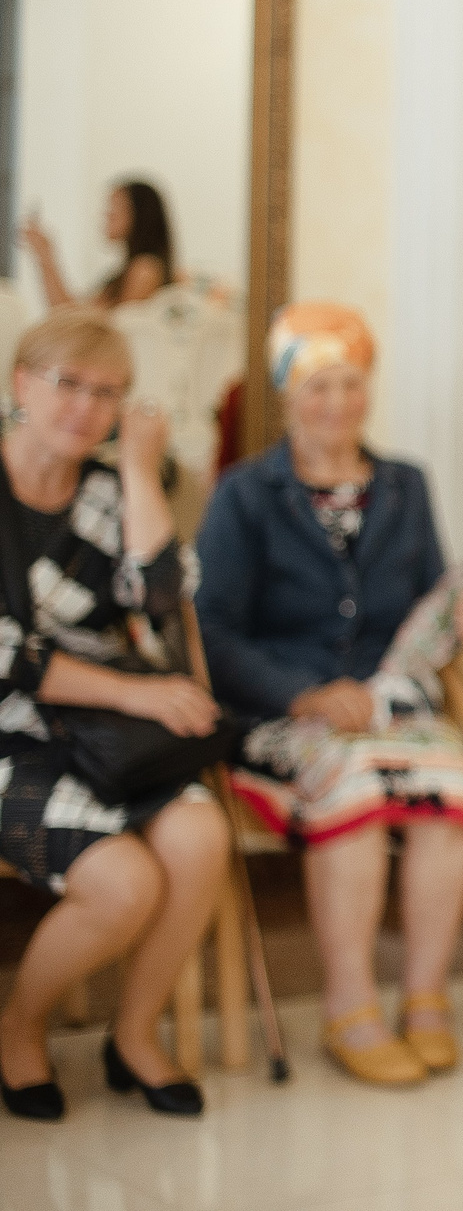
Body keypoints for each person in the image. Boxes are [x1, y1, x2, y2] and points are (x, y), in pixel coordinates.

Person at [197, 303, 463, 1087]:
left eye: (351, 383)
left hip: (391, 710)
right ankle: (349, 1004)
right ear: (287, 394)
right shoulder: (243, 494)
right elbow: (213, 633)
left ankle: (425, 996)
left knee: (455, 785)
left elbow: (430, 610)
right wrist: (304, 693)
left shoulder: (406, 485)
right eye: (318, 386)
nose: (336, 403)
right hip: (282, 717)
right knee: (358, 789)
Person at [0, 309, 229, 1122]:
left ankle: (133, 1033)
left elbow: (162, 600)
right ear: (20, 383)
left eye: (108, 393)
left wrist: (137, 470)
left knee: (200, 834)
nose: (86, 406)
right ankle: (19, 1028)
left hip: (99, 735)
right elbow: (7, 654)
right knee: (123, 882)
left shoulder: (104, 489)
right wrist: (133, 692)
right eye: (68, 383)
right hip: (11, 732)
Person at [18, 179, 175, 311]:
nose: (107, 215)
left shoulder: (145, 270)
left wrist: (46, 255)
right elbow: (74, 314)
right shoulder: (127, 272)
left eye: (114, 208)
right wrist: (44, 254)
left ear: (140, 215)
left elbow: (86, 324)